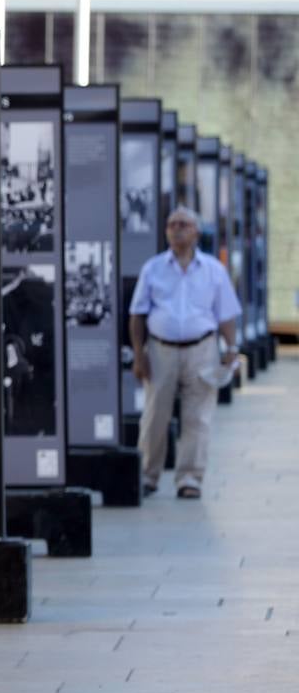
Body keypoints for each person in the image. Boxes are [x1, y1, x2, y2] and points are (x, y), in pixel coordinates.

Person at [130, 207, 241, 499]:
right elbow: (137, 314)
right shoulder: (153, 268)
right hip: (160, 349)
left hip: (201, 348)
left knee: (198, 416)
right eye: (171, 225)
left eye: (183, 225)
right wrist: (139, 356)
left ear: (196, 232)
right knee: (155, 415)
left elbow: (226, 315)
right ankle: (148, 475)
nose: (176, 229)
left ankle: (190, 478)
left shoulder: (214, 270)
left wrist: (231, 348)